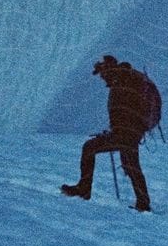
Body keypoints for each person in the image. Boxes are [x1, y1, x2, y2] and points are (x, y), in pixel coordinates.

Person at [61, 54, 159, 212]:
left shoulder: (121, 84)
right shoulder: (128, 80)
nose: (102, 79)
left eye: (102, 75)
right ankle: (143, 203)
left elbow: (123, 114)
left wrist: (115, 133)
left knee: (89, 148)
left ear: (108, 71)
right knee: (133, 165)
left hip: (126, 134)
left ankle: (84, 189)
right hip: (133, 132)